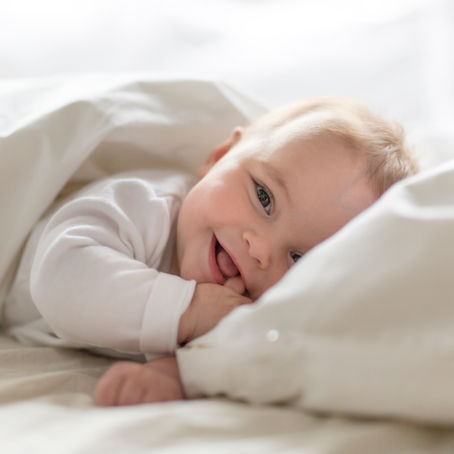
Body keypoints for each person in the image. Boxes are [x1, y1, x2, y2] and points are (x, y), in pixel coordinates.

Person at [3, 97, 418, 404]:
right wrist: (188, 311)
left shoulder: (247, 304)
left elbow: (227, 350)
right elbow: (61, 279)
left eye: (300, 258)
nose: (261, 249)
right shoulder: (143, 206)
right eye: (264, 197)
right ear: (220, 157)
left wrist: (171, 376)